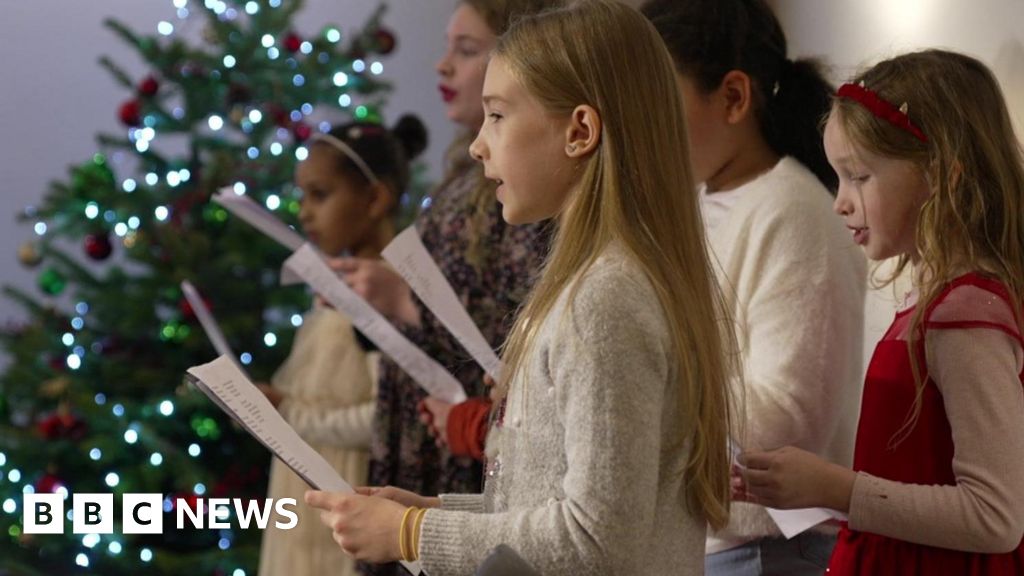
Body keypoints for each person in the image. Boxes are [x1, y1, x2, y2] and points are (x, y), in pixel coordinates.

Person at [306, 2, 736, 574]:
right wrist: (432, 511)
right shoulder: (593, 284)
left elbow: (597, 540)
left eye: (499, 116)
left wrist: (412, 532)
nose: (479, 145)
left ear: (579, 131)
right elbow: (547, 502)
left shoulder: (605, 299)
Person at [737, 49, 1024, 575]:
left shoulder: (964, 316)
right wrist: (812, 487)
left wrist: (837, 487)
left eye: (859, 177)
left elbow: (995, 515)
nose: (839, 203)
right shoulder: (937, 306)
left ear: (940, 176)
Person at [641, 1, 866, 573]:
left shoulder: (791, 211)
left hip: (771, 548)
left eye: (655, 100)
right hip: (704, 541)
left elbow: (785, 421)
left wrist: (637, 387)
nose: (639, 123)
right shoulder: (699, 199)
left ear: (734, 97)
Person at [257, 116, 427, 576]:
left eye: (320, 194)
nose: (304, 211)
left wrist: (289, 415)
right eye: (302, 195)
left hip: (350, 498)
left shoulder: (396, 297)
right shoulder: (333, 290)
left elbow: (389, 414)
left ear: (375, 198)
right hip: (301, 497)